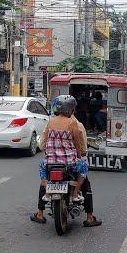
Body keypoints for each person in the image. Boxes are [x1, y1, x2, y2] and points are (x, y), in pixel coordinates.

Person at [30, 95, 102, 228]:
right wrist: (80, 154)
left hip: (50, 162)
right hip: (69, 163)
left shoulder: (50, 122)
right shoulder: (73, 123)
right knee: (84, 168)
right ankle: (76, 195)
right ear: (71, 109)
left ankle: (45, 197)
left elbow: (44, 142)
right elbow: (78, 142)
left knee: (42, 170)